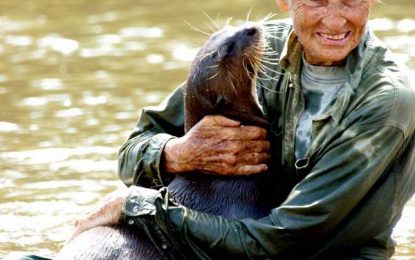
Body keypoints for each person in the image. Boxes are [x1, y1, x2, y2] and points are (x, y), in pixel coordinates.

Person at [71, 0, 415, 259]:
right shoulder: (255, 48)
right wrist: (176, 153)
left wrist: (138, 207)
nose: (336, 19)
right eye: (317, 0)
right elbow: (131, 155)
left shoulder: (387, 102)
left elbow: (283, 239)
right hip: (225, 236)